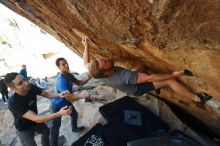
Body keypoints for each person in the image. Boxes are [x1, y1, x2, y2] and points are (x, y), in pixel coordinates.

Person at [82, 37, 212, 104]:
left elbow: (85, 63)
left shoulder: (96, 71)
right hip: (136, 89)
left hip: (129, 84)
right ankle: (198, 99)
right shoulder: (124, 76)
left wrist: (86, 46)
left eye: (102, 58)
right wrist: (174, 74)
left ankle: (157, 86)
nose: (107, 59)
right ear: (106, 72)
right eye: (105, 62)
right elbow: (150, 78)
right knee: (171, 81)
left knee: (143, 67)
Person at [4, 72, 72, 146]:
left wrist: (59, 94)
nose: (26, 83)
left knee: (46, 131)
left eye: (24, 79)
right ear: (13, 88)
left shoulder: (31, 87)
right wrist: (59, 113)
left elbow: (47, 94)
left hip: (35, 122)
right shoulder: (14, 102)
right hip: (24, 128)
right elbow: (36, 118)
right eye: (20, 83)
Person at [50, 57, 91, 146]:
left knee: (74, 114)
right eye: (63, 64)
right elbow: (69, 97)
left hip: (65, 102)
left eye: (66, 63)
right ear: (58, 67)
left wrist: (89, 77)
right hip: (57, 105)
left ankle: (74, 128)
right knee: (56, 127)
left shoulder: (68, 75)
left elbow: (79, 83)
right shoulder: (61, 80)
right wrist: (81, 95)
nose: (66, 65)